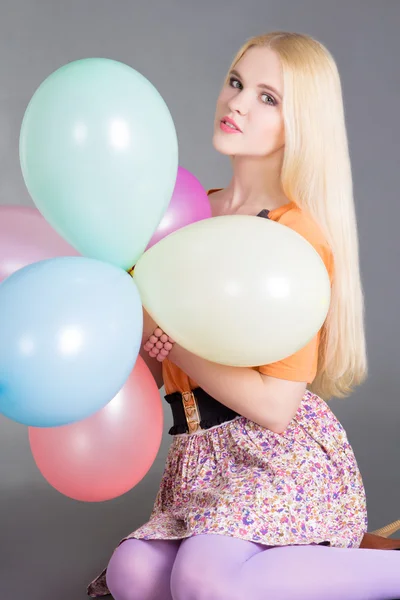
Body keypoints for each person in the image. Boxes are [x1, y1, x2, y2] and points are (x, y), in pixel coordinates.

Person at [87, 31, 400, 600]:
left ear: (300, 124)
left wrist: (172, 342)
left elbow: (276, 408)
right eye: (236, 83)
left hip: (276, 459)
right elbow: (160, 372)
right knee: (130, 576)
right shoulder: (184, 215)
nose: (236, 103)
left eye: (267, 97)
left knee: (202, 579)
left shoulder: (294, 236)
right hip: (198, 458)